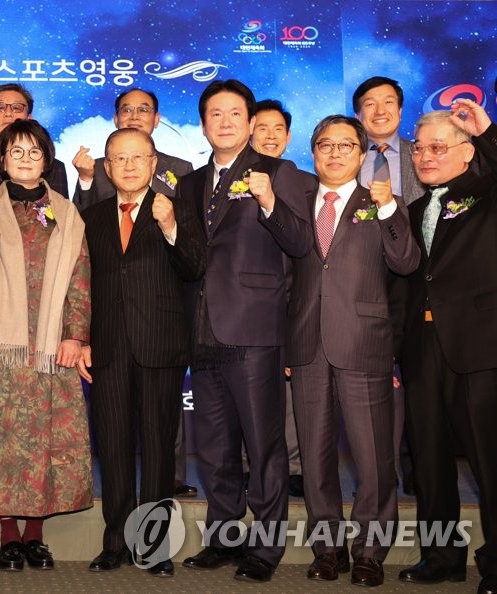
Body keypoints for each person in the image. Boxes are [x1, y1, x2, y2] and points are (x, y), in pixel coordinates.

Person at [178, 79, 312, 583]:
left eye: (235, 113)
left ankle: (266, 547)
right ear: (203, 124)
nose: (225, 122)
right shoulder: (190, 183)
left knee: (263, 446)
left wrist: (271, 202)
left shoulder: (279, 172)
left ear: (251, 122)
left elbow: (301, 244)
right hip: (202, 331)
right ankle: (224, 537)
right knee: (215, 448)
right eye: (215, 114)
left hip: (255, 330)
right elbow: (190, 256)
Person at [286, 115, 419, 586]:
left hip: (364, 345)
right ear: (313, 153)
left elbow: (406, 262)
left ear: (362, 155)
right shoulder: (295, 207)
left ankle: (370, 552)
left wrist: (388, 210)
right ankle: (328, 550)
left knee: (374, 458)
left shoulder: (382, 203)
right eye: (326, 145)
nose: (335, 153)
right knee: (315, 460)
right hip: (306, 347)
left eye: (346, 146)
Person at [0, 119, 91, 572]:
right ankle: (9, 536)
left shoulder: (66, 212)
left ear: (46, 159)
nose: (26, 159)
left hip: (53, 341)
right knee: (7, 439)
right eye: (16, 151)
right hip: (4, 342)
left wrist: (75, 334)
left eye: (34, 151)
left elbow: (80, 277)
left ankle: (36, 536)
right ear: (3, 159)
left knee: (46, 439)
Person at [78, 127, 204, 576]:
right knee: (112, 448)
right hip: (107, 347)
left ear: (154, 163)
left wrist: (170, 227)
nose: (129, 166)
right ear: (106, 167)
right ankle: (114, 542)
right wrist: (80, 338)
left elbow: (195, 266)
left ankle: (152, 545)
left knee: (157, 450)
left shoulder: (177, 209)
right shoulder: (91, 217)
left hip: (160, 345)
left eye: (138, 157)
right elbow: (80, 286)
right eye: (119, 158)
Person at [398, 102, 497, 594]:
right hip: (422, 348)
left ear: (467, 152)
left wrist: (488, 132)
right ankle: (442, 557)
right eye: (419, 149)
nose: (426, 157)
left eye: (438, 147)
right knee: (429, 459)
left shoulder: (487, 192)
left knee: (489, 460)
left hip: (479, 347)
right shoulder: (414, 211)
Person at [353, 76, 422, 497]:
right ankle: (376, 469)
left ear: (400, 109)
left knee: (416, 373)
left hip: (416, 276)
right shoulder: (345, 154)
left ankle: (416, 464)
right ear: (358, 112)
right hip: (363, 277)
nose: (380, 111)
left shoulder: (422, 154)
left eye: (389, 102)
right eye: (370, 103)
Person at [249, 98, 309, 498]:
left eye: (278, 129)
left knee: (289, 390)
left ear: (288, 137)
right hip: (249, 304)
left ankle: (294, 466)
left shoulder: (305, 181)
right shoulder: (232, 179)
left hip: (294, 298)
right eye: (262, 128)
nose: (270, 136)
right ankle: (251, 465)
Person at [72, 87, 193, 212]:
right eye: (127, 110)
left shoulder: (181, 169)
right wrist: (85, 179)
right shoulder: (96, 169)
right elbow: (78, 219)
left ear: (156, 119)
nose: (134, 117)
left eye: (143, 110)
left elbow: (189, 218)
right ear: (116, 119)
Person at [0, 83, 69, 197]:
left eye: (17, 108)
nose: (8, 113)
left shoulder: (54, 168)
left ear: (29, 119)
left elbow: (60, 207)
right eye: (0, 107)